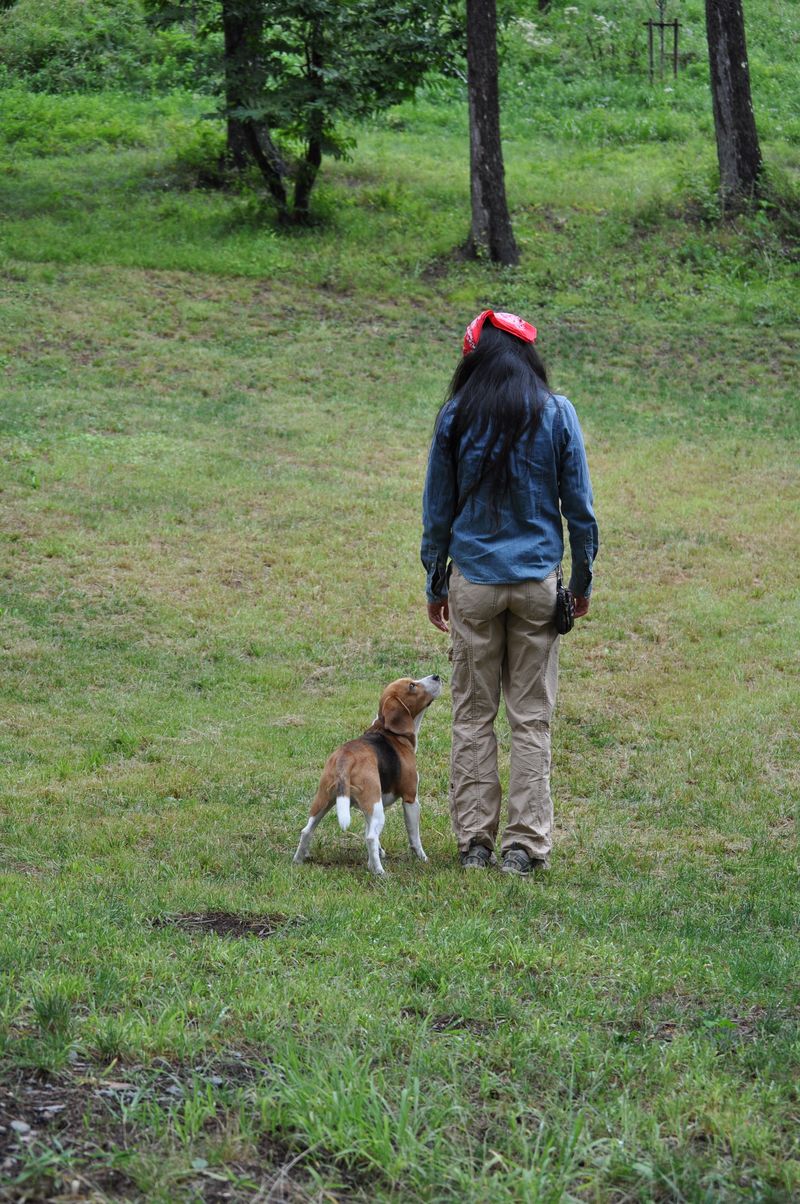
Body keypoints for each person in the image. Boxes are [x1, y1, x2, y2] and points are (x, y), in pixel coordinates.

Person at [421, 309, 598, 875]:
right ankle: (524, 847)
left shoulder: (455, 415)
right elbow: (581, 511)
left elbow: (437, 511)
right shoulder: (557, 412)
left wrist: (434, 581)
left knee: (472, 716)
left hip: (472, 581)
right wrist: (581, 581)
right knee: (531, 719)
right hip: (537, 585)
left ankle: (475, 842)